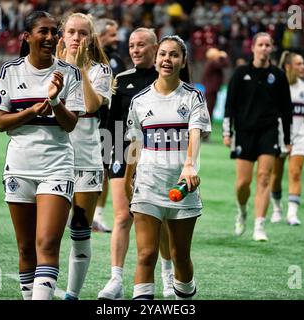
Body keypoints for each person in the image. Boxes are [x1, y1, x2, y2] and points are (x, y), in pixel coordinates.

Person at [0, 11, 84, 300]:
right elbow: (1, 123)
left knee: (47, 242)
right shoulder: (9, 71)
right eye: (43, 31)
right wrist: (31, 111)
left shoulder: (70, 73)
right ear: (27, 37)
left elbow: (70, 124)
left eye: (54, 32)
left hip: (57, 166)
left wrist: (55, 101)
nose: (50, 37)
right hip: (19, 167)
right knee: (26, 247)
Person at [125, 35, 211, 300]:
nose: (167, 60)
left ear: (183, 60)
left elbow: (195, 134)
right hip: (148, 185)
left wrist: (190, 167)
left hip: (182, 187)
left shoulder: (194, 97)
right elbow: (136, 146)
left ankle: (183, 299)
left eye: (174, 55)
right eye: (163, 54)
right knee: (146, 254)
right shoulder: (139, 101)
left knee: (180, 257)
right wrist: (129, 179)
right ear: (155, 59)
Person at [97, 28, 174, 300]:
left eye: (141, 45)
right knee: (121, 216)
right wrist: (108, 160)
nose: (135, 50)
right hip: (124, 153)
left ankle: (167, 274)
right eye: (132, 45)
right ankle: (115, 280)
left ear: (155, 48)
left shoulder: (167, 78)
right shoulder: (122, 80)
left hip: (156, 155)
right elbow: (111, 125)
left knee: (159, 220)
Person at [56, 12, 113, 300]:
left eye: (82, 33)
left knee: (79, 231)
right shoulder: (48, 67)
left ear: (90, 38)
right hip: (53, 160)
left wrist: (79, 70)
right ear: (62, 35)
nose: (77, 38)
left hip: (88, 161)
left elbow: (93, 104)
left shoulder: (101, 71)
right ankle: (41, 285)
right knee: (50, 232)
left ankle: (72, 295)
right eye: (71, 32)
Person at [222, 32, 292, 242]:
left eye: (267, 45)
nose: (264, 48)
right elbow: (229, 105)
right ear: (252, 48)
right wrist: (228, 131)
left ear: (272, 49)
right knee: (243, 183)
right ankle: (242, 210)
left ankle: (259, 225)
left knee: (263, 178)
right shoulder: (240, 72)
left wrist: (287, 139)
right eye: (260, 44)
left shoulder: (278, 76)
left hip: (269, 132)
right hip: (244, 132)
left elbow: (286, 110)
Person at [92, 18, 127, 232]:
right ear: (100, 35)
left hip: (109, 124)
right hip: (86, 121)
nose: (116, 39)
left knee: (104, 169)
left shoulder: (115, 59)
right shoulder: (87, 59)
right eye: (112, 34)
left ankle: (97, 215)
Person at [270, 51, 304, 225]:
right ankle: (277, 209)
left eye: (303, 63)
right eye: (299, 64)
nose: (303, 67)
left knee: (295, 172)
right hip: (278, 135)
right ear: (288, 66)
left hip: (300, 136)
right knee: (276, 175)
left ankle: (292, 214)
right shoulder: (275, 87)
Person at [201, 47, 229, 140]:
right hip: (211, 91)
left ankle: (204, 134)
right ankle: (205, 135)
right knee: (209, 112)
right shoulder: (213, 63)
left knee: (208, 112)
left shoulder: (210, 63)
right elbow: (225, 64)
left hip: (210, 90)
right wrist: (223, 56)